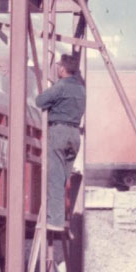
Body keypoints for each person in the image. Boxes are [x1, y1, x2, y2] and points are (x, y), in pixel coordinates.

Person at [34, 54, 85, 229]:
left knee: (55, 177)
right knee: (63, 177)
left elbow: (40, 101)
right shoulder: (81, 89)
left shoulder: (60, 86)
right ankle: (61, 216)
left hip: (60, 132)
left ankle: (54, 221)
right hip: (75, 135)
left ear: (62, 69)